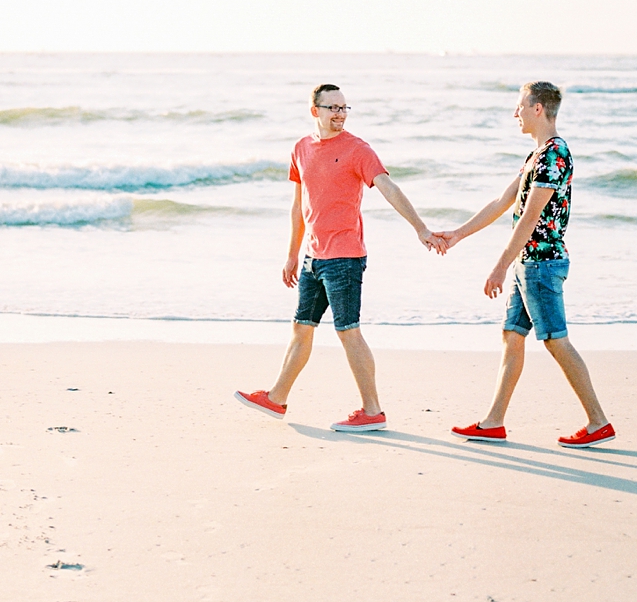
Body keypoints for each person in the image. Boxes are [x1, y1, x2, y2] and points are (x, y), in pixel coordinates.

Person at [235, 84, 441, 432]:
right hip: (312, 257)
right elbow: (299, 207)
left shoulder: (358, 150)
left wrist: (420, 228)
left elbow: (389, 188)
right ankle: (277, 397)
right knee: (301, 329)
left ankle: (372, 410)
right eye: (333, 108)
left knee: (348, 332)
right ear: (315, 110)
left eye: (345, 108)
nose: (340, 114)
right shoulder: (301, 149)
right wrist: (291, 255)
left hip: (344, 257)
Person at [435, 80, 615, 448]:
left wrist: (499, 265)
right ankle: (494, 422)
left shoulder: (554, 154)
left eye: (520, 106)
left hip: (541, 264)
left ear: (538, 109)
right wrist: (457, 234)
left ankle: (598, 422)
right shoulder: (536, 155)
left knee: (556, 341)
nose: (514, 113)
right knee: (512, 337)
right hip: (527, 264)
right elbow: (503, 201)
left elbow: (531, 216)